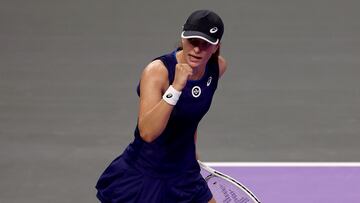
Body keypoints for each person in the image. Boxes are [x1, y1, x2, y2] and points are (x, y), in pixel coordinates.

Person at [96, 9, 227, 203]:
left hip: (184, 174)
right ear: (183, 38)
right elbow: (148, 132)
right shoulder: (157, 72)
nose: (197, 49)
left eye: (205, 44)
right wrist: (176, 88)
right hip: (148, 175)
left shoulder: (217, 68)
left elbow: (191, 116)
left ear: (216, 47)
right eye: (192, 41)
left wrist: (191, 152)